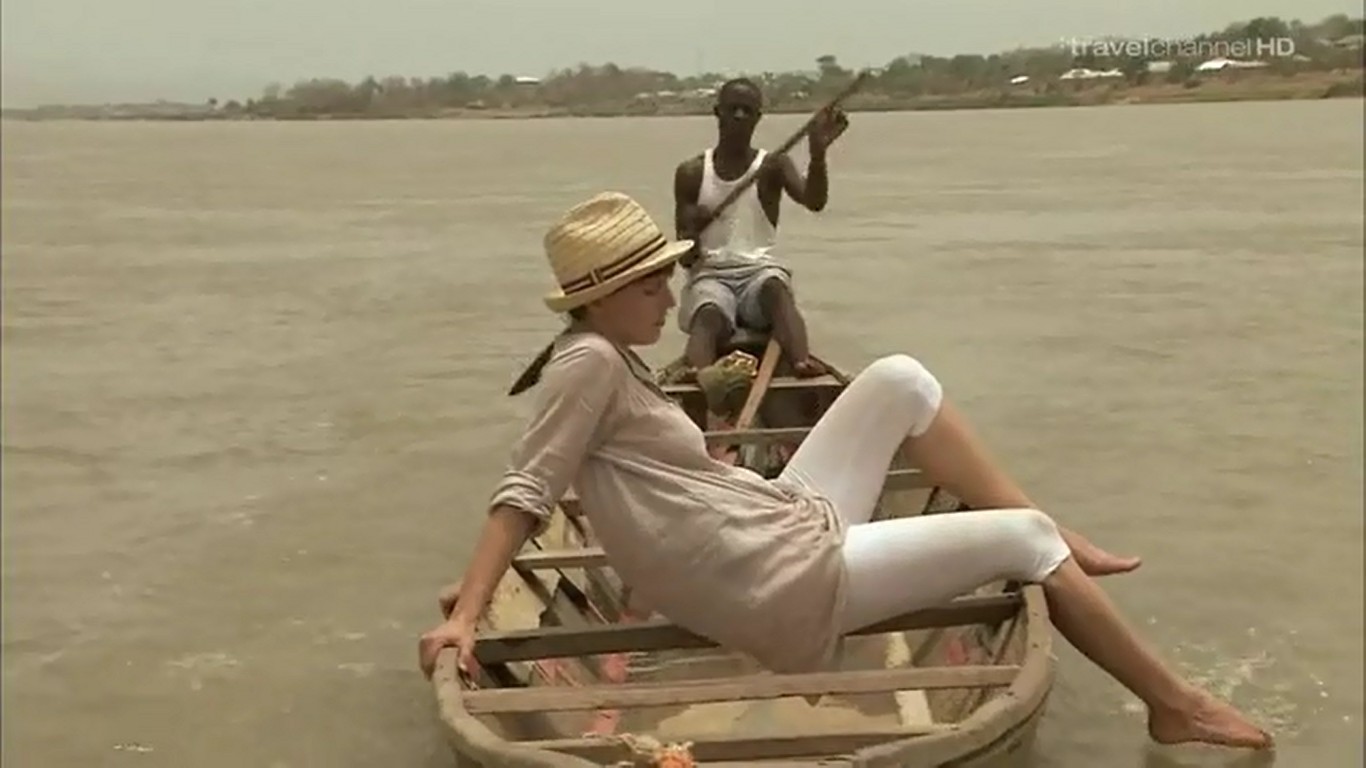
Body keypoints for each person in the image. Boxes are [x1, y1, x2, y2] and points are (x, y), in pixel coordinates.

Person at [418, 191, 1272, 751]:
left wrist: (714, 468)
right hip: (767, 577)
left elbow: (620, 474)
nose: (670, 299)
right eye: (651, 287)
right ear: (602, 297)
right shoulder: (588, 364)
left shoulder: (609, 356)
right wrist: (469, 606)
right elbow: (527, 489)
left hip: (771, 519)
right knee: (1025, 540)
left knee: (900, 379)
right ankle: (1175, 704)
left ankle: (1062, 541)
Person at [673, 77, 845, 380]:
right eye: (732, 109)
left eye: (747, 110)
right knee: (708, 315)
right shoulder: (692, 173)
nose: (739, 116)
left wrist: (818, 154)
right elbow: (686, 259)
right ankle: (700, 376)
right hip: (710, 277)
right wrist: (693, 231)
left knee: (776, 290)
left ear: (758, 118)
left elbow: (814, 202)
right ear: (717, 113)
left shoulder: (773, 166)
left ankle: (801, 363)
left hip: (758, 273)